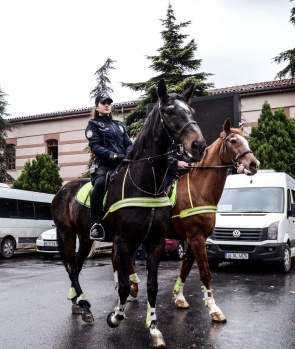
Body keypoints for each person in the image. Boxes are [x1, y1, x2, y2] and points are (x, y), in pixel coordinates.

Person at [85, 92, 133, 240]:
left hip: (122, 164)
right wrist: (112, 155)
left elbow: (128, 144)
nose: (107, 105)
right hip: (104, 165)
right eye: (103, 103)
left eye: (109, 103)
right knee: (99, 185)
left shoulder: (119, 125)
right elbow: (95, 146)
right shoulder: (93, 125)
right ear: (97, 107)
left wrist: (129, 154)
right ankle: (95, 224)